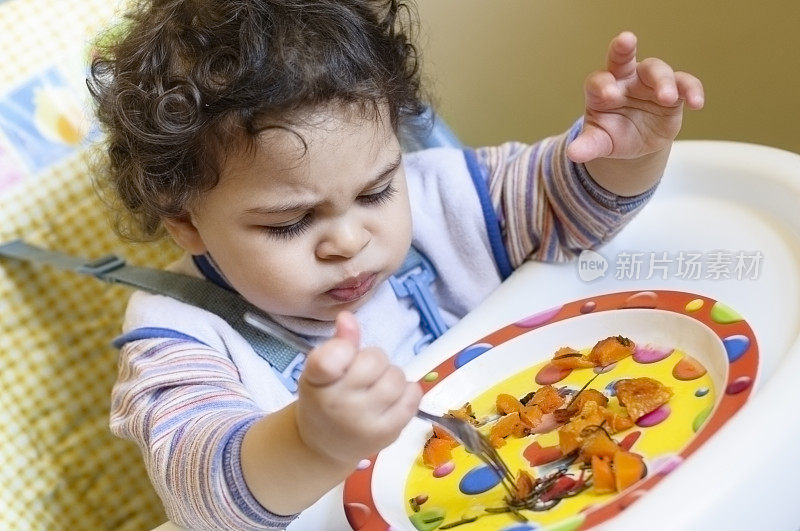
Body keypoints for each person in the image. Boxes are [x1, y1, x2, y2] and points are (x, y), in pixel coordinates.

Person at [88, 0, 704, 528]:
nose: (351, 240)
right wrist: (310, 442)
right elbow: (204, 496)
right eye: (291, 222)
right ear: (186, 222)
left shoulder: (439, 199)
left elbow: (567, 205)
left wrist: (627, 154)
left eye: (378, 190)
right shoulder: (182, 336)